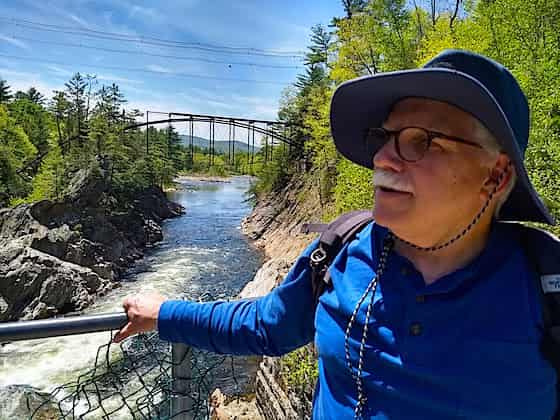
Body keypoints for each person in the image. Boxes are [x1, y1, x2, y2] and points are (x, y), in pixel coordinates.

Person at [114, 49, 558, 419]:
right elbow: (267, 326)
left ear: (496, 177)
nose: (382, 157)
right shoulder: (341, 252)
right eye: (384, 137)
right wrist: (164, 314)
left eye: (421, 140)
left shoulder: (544, 285)